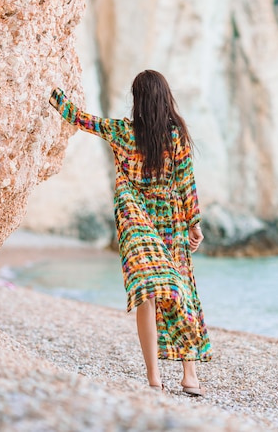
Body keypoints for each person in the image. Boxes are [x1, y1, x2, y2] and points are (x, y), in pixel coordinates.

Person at [49, 70, 211, 395]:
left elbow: (80, 118)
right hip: (171, 221)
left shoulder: (122, 131)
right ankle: (189, 376)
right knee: (181, 291)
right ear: (165, 99)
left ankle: (154, 379)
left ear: (138, 100)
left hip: (135, 221)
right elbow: (186, 183)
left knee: (146, 293)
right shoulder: (175, 135)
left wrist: (51, 91)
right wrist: (194, 223)